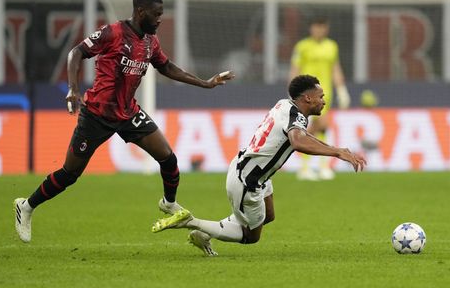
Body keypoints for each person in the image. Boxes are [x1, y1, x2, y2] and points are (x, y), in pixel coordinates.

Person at [13, 0, 235, 243]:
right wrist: (73, 89)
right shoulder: (113, 33)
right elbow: (76, 52)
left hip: (128, 113)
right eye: (157, 14)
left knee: (168, 158)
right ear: (141, 12)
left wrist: (205, 83)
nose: (160, 19)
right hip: (96, 114)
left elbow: (167, 67)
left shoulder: (151, 41)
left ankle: (169, 203)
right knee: (69, 174)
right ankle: (26, 205)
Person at [151, 75, 366, 256]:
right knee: (251, 236)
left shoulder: (285, 104)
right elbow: (298, 141)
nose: (324, 101)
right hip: (248, 180)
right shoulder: (295, 117)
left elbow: (303, 135)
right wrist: (337, 152)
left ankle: (205, 233)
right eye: (321, 97)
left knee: (268, 215)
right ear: (307, 98)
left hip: (251, 171)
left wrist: (336, 148)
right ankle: (191, 222)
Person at [289, 17, 351, 181]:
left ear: (326, 29)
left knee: (321, 127)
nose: (319, 30)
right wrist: (293, 91)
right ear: (311, 28)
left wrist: (342, 90)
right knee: (314, 127)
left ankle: (316, 167)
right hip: (306, 94)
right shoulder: (302, 46)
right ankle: (310, 167)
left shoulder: (331, 46)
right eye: (316, 27)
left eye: (322, 27)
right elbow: (295, 69)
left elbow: (335, 69)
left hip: (325, 93)